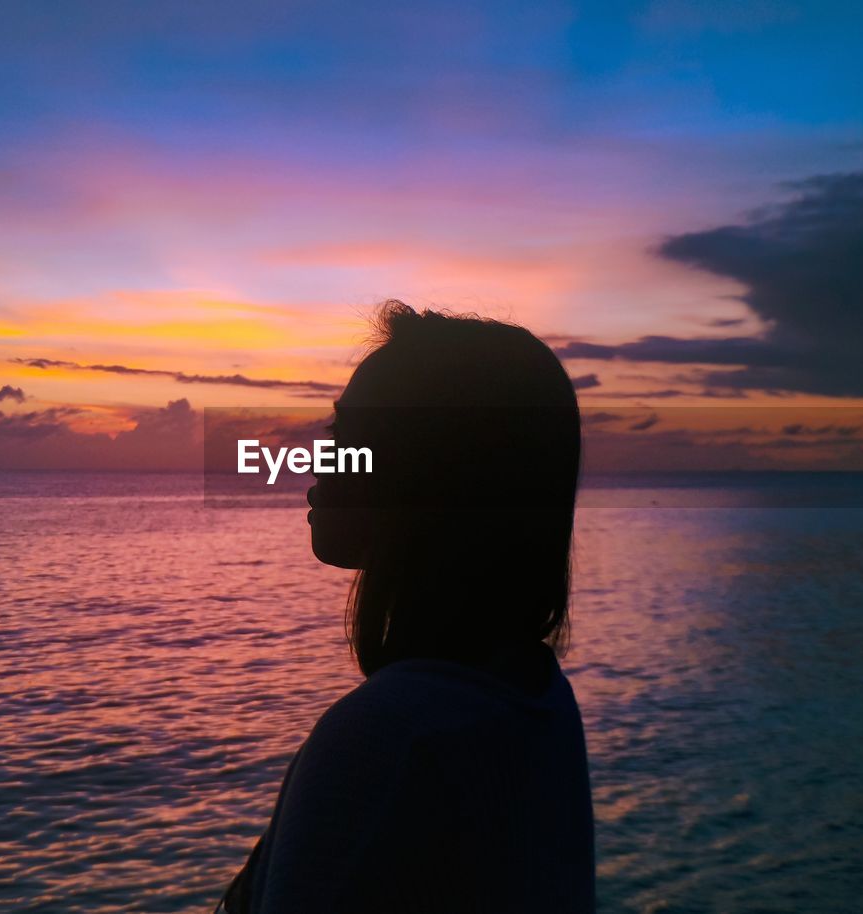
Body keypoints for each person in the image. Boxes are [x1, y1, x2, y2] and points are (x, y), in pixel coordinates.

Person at [218, 301, 596, 913]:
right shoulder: (532, 694)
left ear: (427, 470)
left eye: (348, 435)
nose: (315, 456)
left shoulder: (387, 738)